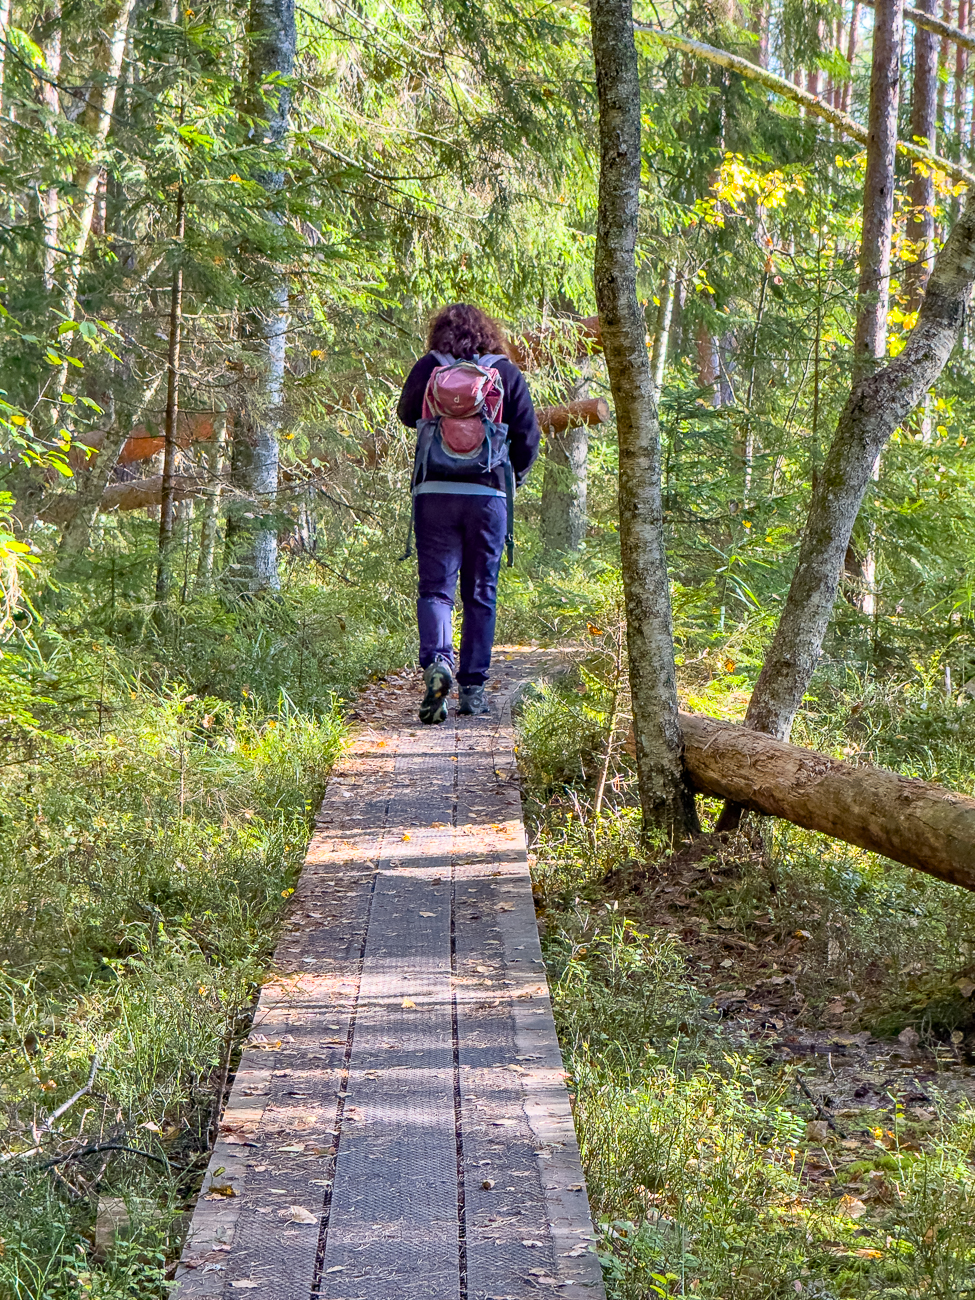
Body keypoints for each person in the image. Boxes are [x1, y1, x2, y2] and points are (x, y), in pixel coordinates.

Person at [397, 303, 540, 724]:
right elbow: (528, 436)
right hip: (487, 497)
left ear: (440, 334)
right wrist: (511, 478)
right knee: (481, 593)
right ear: (488, 334)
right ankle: (473, 690)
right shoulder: (505, 373)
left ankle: (438, 664)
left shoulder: (430, 367)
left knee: (436, 589)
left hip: (434, 493)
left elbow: (407, 415)